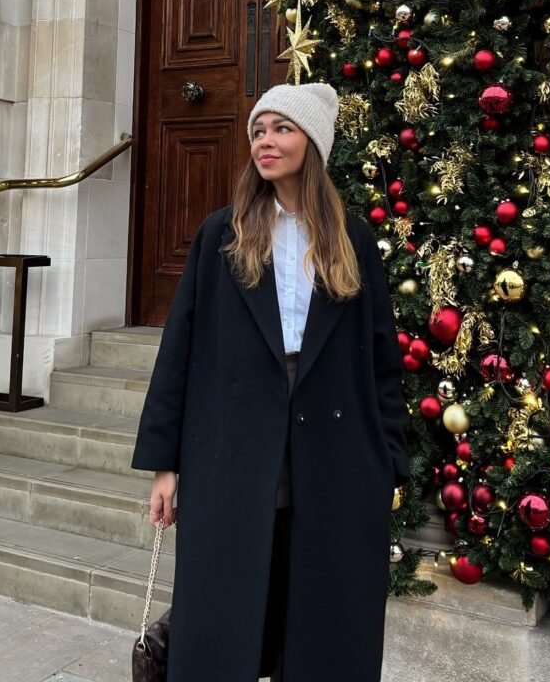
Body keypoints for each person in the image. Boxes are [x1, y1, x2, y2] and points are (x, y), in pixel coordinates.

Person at [131, 82, 409, 682]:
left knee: (321, 610)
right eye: (259, 130)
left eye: (282, 128)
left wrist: (388, 459)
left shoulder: (352, 239)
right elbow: (178, 350)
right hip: (230, 443)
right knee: (227, 605)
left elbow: (383, 359)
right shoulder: (221, 234)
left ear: (313, 142)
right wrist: (165, 464)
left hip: (335, 448)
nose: (265, 141)